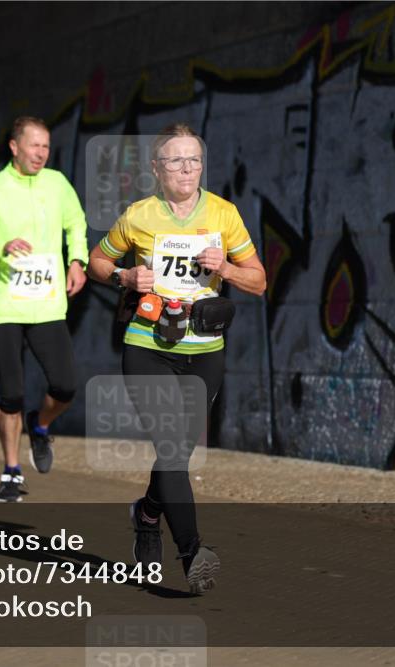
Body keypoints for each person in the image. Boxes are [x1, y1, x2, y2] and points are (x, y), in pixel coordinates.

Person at [87, 123, 266, 594]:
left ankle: (147, 514)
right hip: (148, 347)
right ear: (156, 169)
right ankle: (192, 555)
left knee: (175, 456)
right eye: (175, 161)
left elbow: (259, 280)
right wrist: (125, 278)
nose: (186, 168)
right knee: (171, 448)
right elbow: (97, 262)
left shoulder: (224, 215)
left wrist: (224, 267)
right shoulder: (139, 215)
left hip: (205, 353)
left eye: (194, 160)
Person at [0, 116, 88, 502]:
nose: (41, 153)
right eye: (34, 146)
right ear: (14, 147)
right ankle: (11, 471)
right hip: (3, 303)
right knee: (11, 393)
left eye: (46, 146)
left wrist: (77, 261)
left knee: (65, 385)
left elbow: (76, 223)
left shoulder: (57, 184)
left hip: (47, 302)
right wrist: (0, 250)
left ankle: (41, 424)